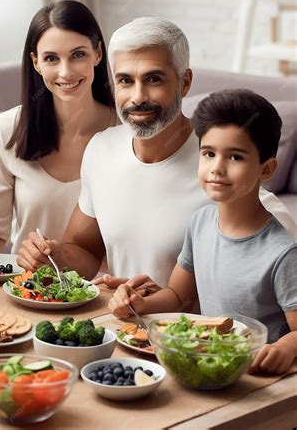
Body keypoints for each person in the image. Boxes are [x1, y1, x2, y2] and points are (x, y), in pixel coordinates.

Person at [16, 17, 296, 292]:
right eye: (125, 81)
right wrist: (56, 258)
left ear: (185, 83)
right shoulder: (101, 150)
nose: (138, 97)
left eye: (153, 79)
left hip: (193, 337)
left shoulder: (217, 168)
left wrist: (163, 304)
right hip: (123, 331)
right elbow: (85, 249)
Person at [109, 89, 297, 374]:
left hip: (258, 378)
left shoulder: (282, 254)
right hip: (209, 366)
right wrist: (140, 304)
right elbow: (177, 296)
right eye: (209, 154)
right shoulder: (201, 222)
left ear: (266, 169)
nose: (217, 168)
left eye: (235, 157)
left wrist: (287, 347)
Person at [0, 0, 116, 258]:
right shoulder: (7, 130)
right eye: (51, 58)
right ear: (36, 62)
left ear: (98, 53)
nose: (66, 72)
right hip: (28, 289)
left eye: (78, 55)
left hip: (106, 289)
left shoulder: (125, 131)